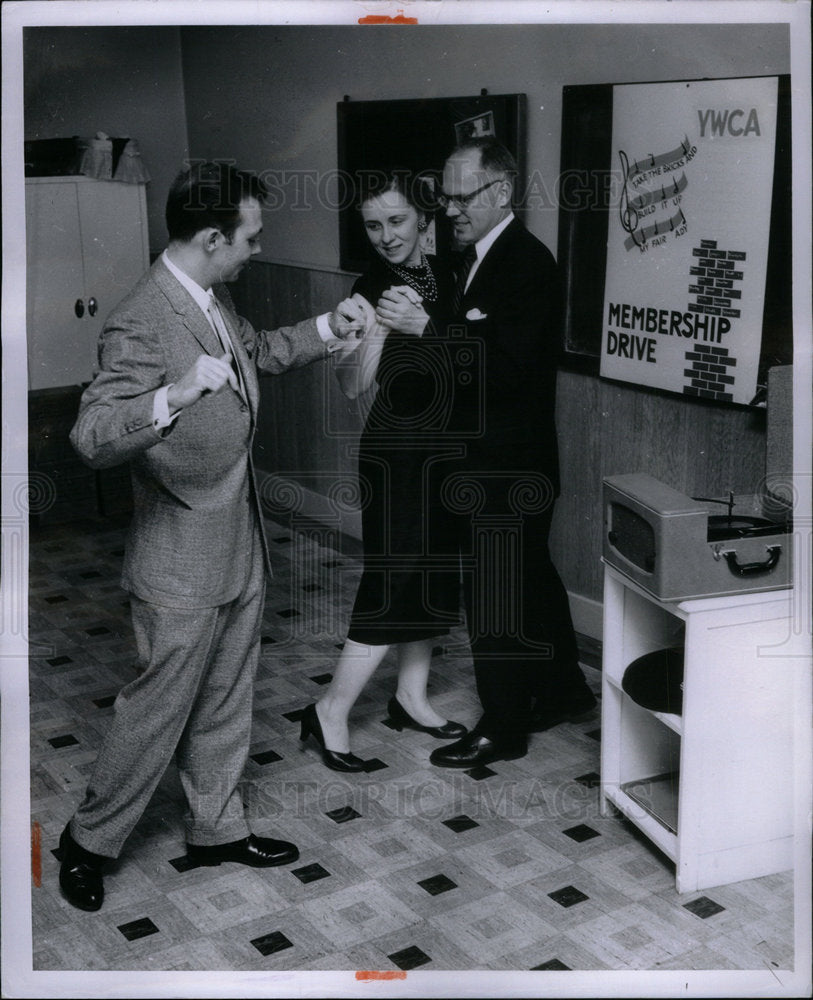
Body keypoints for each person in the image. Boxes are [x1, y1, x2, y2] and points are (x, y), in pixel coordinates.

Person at [58, 161, 364, 911]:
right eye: (250, 237)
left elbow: (257, 354)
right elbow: (92, 436)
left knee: (228, 695)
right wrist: (173, 393)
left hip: (238, 539)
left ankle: (216, 827)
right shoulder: (141, 315)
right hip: (179, 559)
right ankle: (86, 841)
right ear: (211, 236)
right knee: (157, 708)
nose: (257, 248)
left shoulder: (211, 297)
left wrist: (332, 326)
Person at [428, 138, 596, 769]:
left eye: (461, 196)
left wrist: (432, 332)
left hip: (508, 465)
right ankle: (563, 691)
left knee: (496, 591)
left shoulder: (527, 262)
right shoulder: (471, 259)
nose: (449, 209)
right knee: (531, 578)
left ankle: (504, 725)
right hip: (488, 459)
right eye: (443, 196)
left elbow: (506, 369)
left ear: (501, 193)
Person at [298, 171, 466, 772]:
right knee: (392, 577)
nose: (386, 235)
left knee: (435, 573)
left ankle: (411, 696)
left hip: (451, 449)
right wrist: (375, 331)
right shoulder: (369, 287)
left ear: (424, 219)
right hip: (397, 451)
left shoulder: (454, 272)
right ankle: (331, 710)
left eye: (396, 221)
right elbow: (351, 386)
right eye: (373, 225)